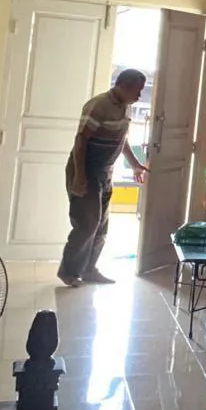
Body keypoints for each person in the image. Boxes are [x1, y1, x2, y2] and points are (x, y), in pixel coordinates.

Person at [57, 69, 149, 287]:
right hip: (86, 169)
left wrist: (135, 164)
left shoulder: (126, 107)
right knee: (87, 224)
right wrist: (79, 176)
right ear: (124, 86)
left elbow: (121, 138)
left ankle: (89, 269)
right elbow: (81, 141)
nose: (139, 96)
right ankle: (69, 272)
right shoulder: (98, 105)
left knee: (101, 226)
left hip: (105, 171)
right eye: (137, 91)